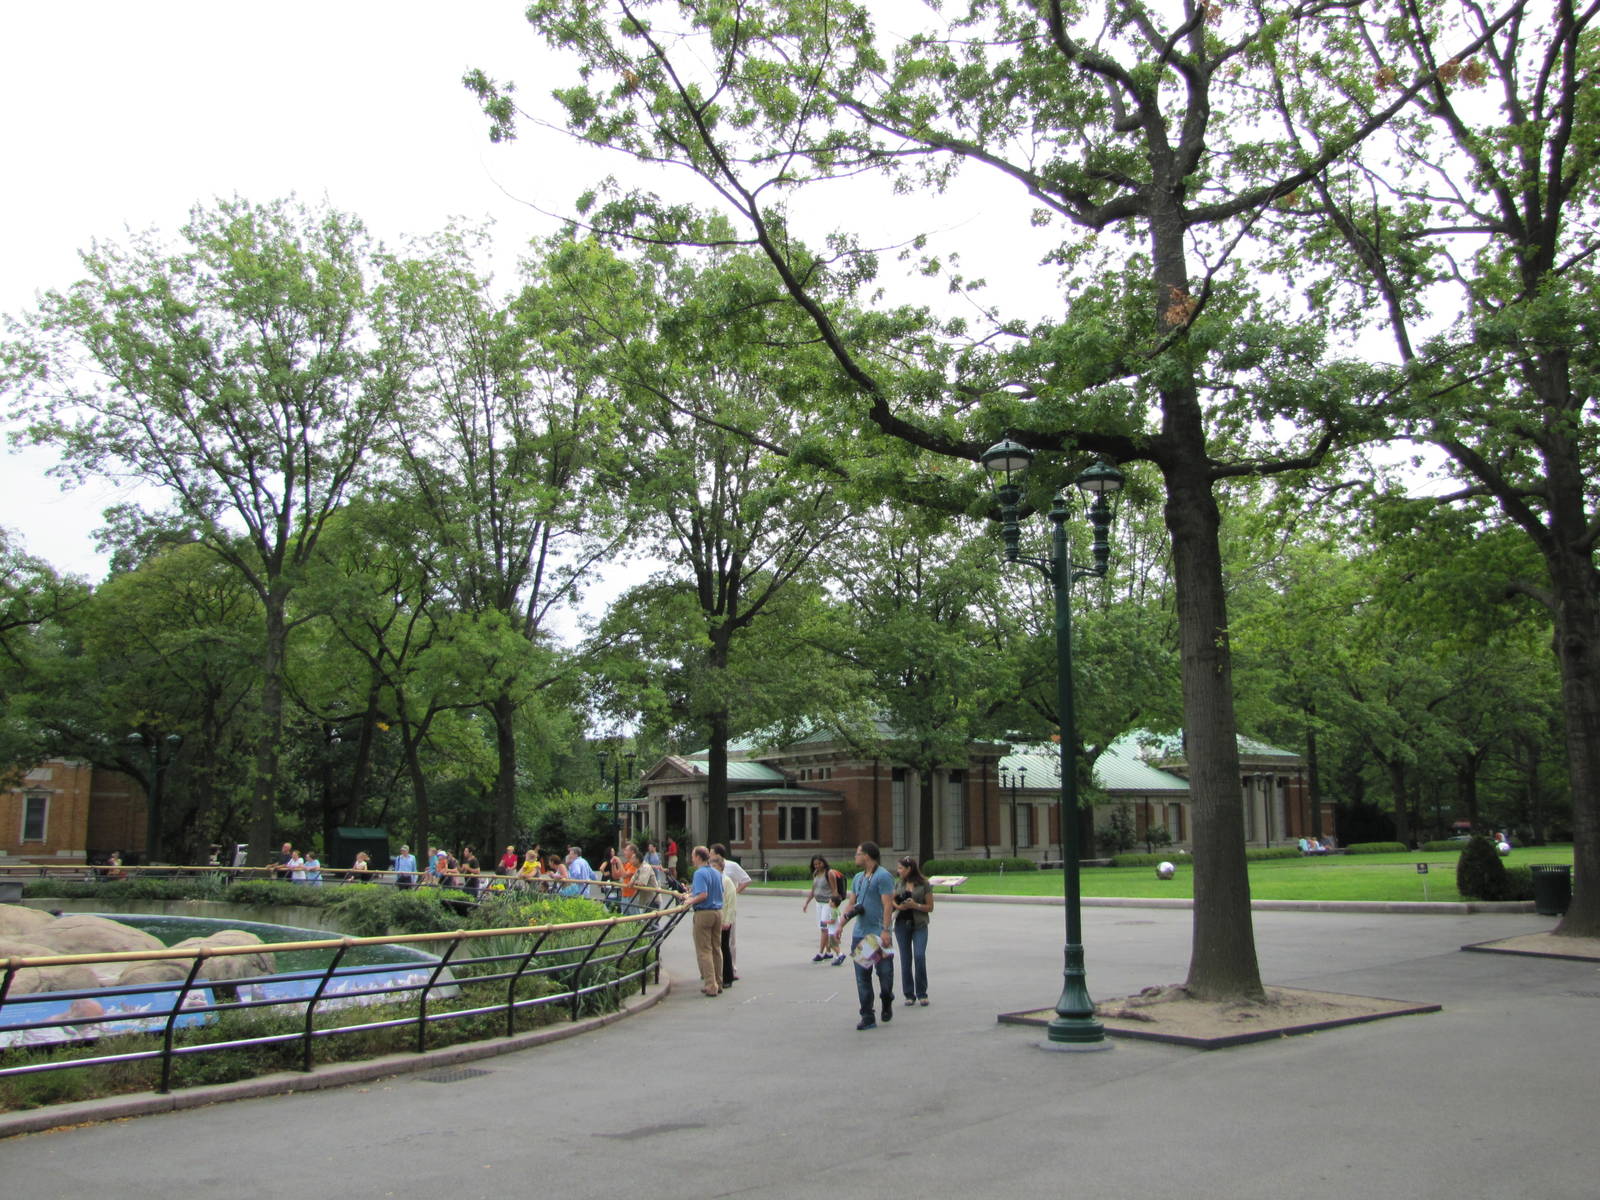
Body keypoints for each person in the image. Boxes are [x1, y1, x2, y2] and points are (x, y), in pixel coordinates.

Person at [838, 841, 895, 1030]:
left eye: (858, 853)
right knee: (863, 977)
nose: (855, 857)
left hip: (878, 935)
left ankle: (886, 999)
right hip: (860, 934)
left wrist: (886, 930)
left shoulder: (883, 876)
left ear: (867, 856)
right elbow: (852, 903)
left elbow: (888, 904)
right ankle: (867, 1015)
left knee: (884, 975)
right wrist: (841, 925)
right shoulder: (857, 878)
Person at [682, 845, 724, 996]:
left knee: (704, 950)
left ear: (698, 857)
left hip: (704, 913)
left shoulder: (699, 873)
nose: (692, 859)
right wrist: (691, 894)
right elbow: (719, 892)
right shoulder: (716, 872)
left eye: (693, 856)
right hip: (718, 912)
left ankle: (710, 985)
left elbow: (703, 894)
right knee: (716, 949)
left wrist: (690, 901)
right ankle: (718, 983)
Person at [892, 855, 933, 1006]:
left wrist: (915, 905)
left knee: (919, 956)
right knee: (905, 959)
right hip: (902, 925)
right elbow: (892, 899)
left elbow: (930, 907)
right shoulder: (899, 884)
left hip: (919, 924)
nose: (898, 871)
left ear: (909, 869)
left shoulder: (924, 884)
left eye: (901, 868)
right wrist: (899, 906)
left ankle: (922, 993)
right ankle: (909, 994)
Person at [711, 842, 750, 981]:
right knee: (717, 942)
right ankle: (717, 969)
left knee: (729, 941)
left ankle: (731, 968)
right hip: (716, 909)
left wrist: (735, 892)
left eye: (712, 853)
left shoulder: (732, 867)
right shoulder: (710, 868)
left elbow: (746, 880)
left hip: (728, 908)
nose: (710, 856)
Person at [800, 855, 845, 962]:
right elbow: (813, 890)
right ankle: (828, 952)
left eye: (819, 863)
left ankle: (821, 952)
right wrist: (807, 902)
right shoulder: (815, 874)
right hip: (819, 903)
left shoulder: (829, 873)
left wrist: (834, 906)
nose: (817, 866)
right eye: (815, 864)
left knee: (825, 929)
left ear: (824, 862)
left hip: (828, 904)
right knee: (824, 929)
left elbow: (834, 891)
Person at [712, 849, 739, 989]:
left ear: (721, 867)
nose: (713, 869)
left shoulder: (727, 881)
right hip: (715, 919)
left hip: (724, 920)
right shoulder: (713, 881)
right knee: (716, 948)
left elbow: (731, 903)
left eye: (715, 866)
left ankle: (728, 976)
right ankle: (718, 975)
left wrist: (728, 920)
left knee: (724, 947)